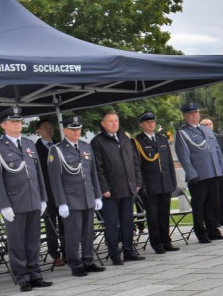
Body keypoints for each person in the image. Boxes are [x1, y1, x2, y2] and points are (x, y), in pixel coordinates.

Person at [0, 107, 52, 292]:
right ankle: (23, 276)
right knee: (17, 242)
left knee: (33, 240)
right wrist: (4, 205)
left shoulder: (29, 145)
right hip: (14, 203)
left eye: (19, 121)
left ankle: (35, 274)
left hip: (33, 200)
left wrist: (43, 198)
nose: (18, 124)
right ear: (3, 125)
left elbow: (39, 174)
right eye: (13, 121)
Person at [47, 116, 106, 277]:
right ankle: (75, 263)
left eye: (78, 129)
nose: (76, 132)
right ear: (65, 130)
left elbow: (93, 173)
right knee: (73, 234)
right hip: (71, 199)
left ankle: (88, 260)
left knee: (88, 232)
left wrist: (97, 195)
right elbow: (55, 179)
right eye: (73, 129)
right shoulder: (57, 149)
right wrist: (61, 202)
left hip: (87, 196)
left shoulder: (86, 147)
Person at [92, 110, 145, 265]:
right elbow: (98, 168)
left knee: (128, 222)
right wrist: (104, 188)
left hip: (128, 189)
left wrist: (137, 183)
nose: (114, 123)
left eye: (116, 120)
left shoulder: (124, 139)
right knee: (112, 225)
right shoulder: (98, 142)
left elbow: (134, 162)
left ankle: (129, 250)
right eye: (110, 121)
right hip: (110, 192)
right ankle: (114, 254)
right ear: (103, 123)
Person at [175, 103, 223, 243]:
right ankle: (201, 233)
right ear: (185, 116)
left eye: (196, 113)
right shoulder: (183, 133)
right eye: (190, 114)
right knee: (199, 207)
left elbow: (217, 151)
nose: (194, 116)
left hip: (214, 173)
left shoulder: (206, 130)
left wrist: (222, 169)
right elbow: (183, 156)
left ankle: (213, 230)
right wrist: (192, 174)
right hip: (199, 176)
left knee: (213, 204)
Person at [134, 112, 179, 254]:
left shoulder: (161, 139)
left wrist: (173, 181)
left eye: (152, 121)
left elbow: (169, 163)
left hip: (165, 183)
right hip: (150, 185)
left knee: (164, 214)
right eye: (147, 122)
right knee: (153, 216)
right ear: (142, 124)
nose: (151, 124)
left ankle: (166, 241)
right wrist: (141, 185)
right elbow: (137, 166)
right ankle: (157, 243)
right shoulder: (137, 141)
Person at [35, 120, 65, 268]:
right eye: (45, 128)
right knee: (51, 225)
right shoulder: (35, 149)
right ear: (38, 131)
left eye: (50, 127)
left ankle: (67, 251)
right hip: (46, 192)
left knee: (65, 223)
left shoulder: (59, 146)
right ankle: (55, 254)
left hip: (61, 191)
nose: (49, 130)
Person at [201, 119, 223, 226]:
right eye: (206, 124)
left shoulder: (219, 137)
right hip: (210, 172)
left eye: (210, 124)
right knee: (212, 198)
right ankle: (214, 220)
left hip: (221, 171)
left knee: (221, 196)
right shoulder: (201, 139)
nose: (209, 126)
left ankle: (222, 218)